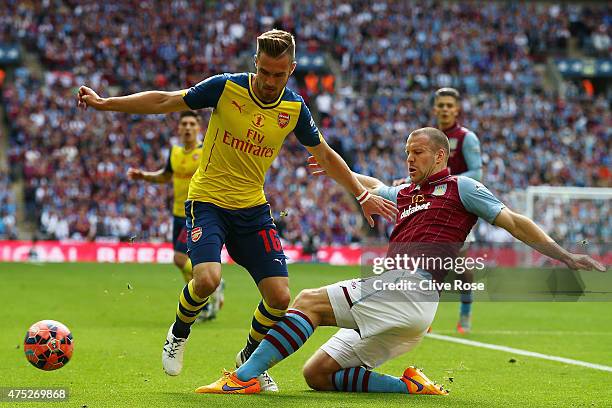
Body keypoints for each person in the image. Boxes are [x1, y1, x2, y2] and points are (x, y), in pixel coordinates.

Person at [77, 29, 397, 391]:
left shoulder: (293, 108)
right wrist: (106, 103)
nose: (270, 81)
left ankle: (248, 359)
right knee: (207, 280)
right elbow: (166, 100)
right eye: (265, 72)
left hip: (253, 209)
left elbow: (323, 154)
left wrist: (360, 193)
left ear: (291, 69)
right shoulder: (226, 87)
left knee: (279, 298)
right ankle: (179, 333)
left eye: (279, 74)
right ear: (255, 63)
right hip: (208, 201)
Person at [196, 127, 604, 395]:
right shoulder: (408, 192)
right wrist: (345, 172)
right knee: (317, 374)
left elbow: (514, 222)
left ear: (441, 156)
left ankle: (244, 378)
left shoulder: (461, 186)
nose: (410, 159)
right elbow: (375, 186)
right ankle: (409, 387)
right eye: (407, 153)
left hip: (411, 286)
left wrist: (564, 255)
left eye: (419, 153)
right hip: (410, 312)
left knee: (305, 301)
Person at [395, 87, 483, 333]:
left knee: (458, 265)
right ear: (435, 109)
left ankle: (465, 312)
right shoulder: (426, 137)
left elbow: (477, 172)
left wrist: (447, 182)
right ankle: (424, 317)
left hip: (456, 207)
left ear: (457, 109)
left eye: (449, 105)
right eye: (440, 105)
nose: (444, 109)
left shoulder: (467, 138)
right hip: (428, 205)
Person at [126, 110, 223, 321]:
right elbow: (165, 176)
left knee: (180, 259)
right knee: (182, 264)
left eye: (191, 124)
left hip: (197, 214)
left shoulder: (206, 151)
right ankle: (204, 299)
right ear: (178, 128)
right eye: (184, 124)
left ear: (199, 128)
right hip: (177, 214)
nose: (188, 128)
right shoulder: (175, 152)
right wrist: (144, 176)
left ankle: (212, 284)